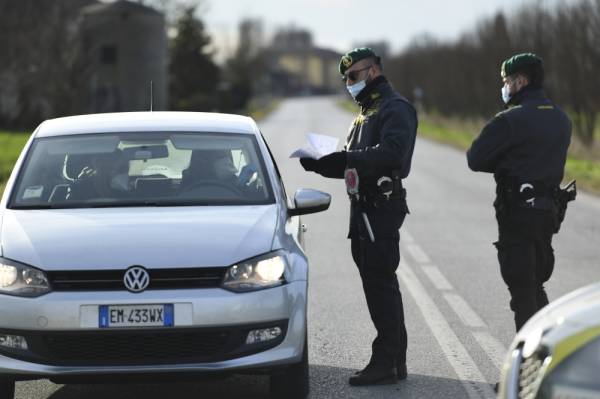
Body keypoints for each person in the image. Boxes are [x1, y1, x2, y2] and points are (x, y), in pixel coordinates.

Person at [299, 47, 417, 386]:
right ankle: (395, 360)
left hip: (381, 207)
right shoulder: (366, 112)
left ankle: (386, 361)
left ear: (373, 71)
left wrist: (345, 159)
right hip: (362, 207)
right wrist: (324, 164)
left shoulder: (395, 109)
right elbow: (355, 162)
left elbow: (392, 154)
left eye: (353, 76)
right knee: (378, 284)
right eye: (345, 78)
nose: (349, 83)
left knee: (380, 282)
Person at [467, 53, 572, 331]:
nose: (504, 87)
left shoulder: (510, 120)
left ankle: (527, 370)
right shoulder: (562, 119)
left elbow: (475, 159)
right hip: (548, 214)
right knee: (535, 286)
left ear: (521, 81)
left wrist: (506, 162)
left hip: (517, 216)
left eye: (506, 81)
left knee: (523, 295)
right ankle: (552, 353)